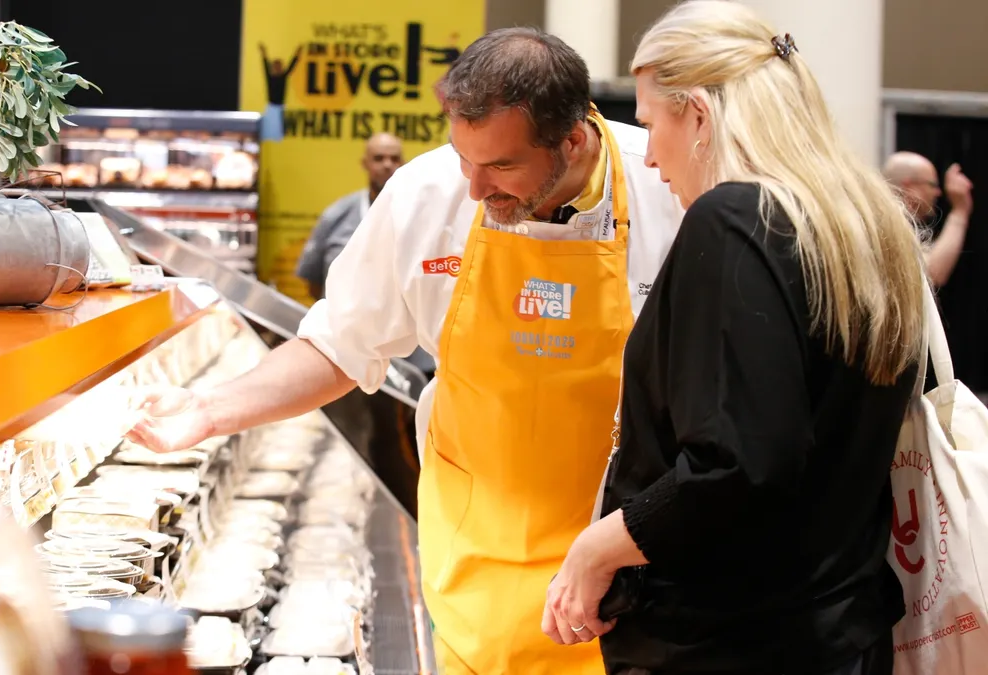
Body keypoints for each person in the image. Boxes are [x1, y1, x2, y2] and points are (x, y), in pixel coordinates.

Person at [129, 27, 683, 674]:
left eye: (502, 167)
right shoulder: (427, 193)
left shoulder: (666, 188)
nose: (474, 189)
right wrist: (209, 410)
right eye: (463, 158)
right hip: (475, 579)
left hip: (624, 581)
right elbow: (338, 344)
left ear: (574, 139)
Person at [542, 3, 926, 674]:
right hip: (842, 630)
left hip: (730, 643)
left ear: (698, 114)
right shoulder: (863, 222)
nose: (651, 154)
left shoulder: (735, 218)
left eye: (652, 122)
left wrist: (598, 546)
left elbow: (743, 462)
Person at [297, 132, 405, 302]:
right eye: (378, 158)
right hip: (340, 323)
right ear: (365, 164)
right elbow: (313, 284)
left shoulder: (417, 215)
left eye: (394, 159)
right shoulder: (336, 215)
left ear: (404, 164)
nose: (387, 165)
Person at [883, 151, 975, 287]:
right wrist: (959, 212)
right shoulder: (887, 223)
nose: (937, 192)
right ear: (909, 187)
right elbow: (931, 273)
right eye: (932, 185)